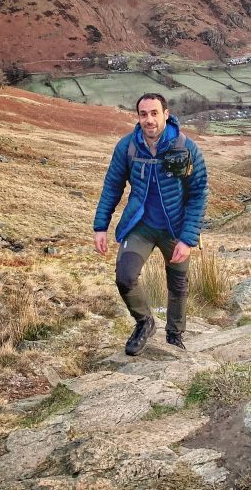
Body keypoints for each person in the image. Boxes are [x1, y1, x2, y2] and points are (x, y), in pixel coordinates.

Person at [93, 92, 208, 355]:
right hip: (141, 225)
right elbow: (112, 186)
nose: (149, 120)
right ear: (138, 117)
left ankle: (175, 335)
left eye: (154, 113)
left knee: (178, 284)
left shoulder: (186, 148)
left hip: (176, 228)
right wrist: (100, 226)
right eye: (143, 114)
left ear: (166, 114)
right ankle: (145, 322)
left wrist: (188, 239)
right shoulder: (128, 147)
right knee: (125, 277)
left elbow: (199, 192)